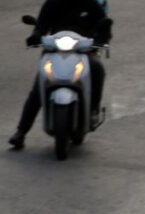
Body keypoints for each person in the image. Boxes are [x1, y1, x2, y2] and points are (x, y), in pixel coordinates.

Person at [9, 0, 113, 150]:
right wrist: (36, 35)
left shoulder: (91, 4)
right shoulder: (52, 3)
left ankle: (92, 111)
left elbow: (104, 26)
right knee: (40, 85)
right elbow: (41, 26)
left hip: (84, 51)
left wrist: (101, 39)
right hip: (54, 50)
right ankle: (21, 132)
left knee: (97, 69)